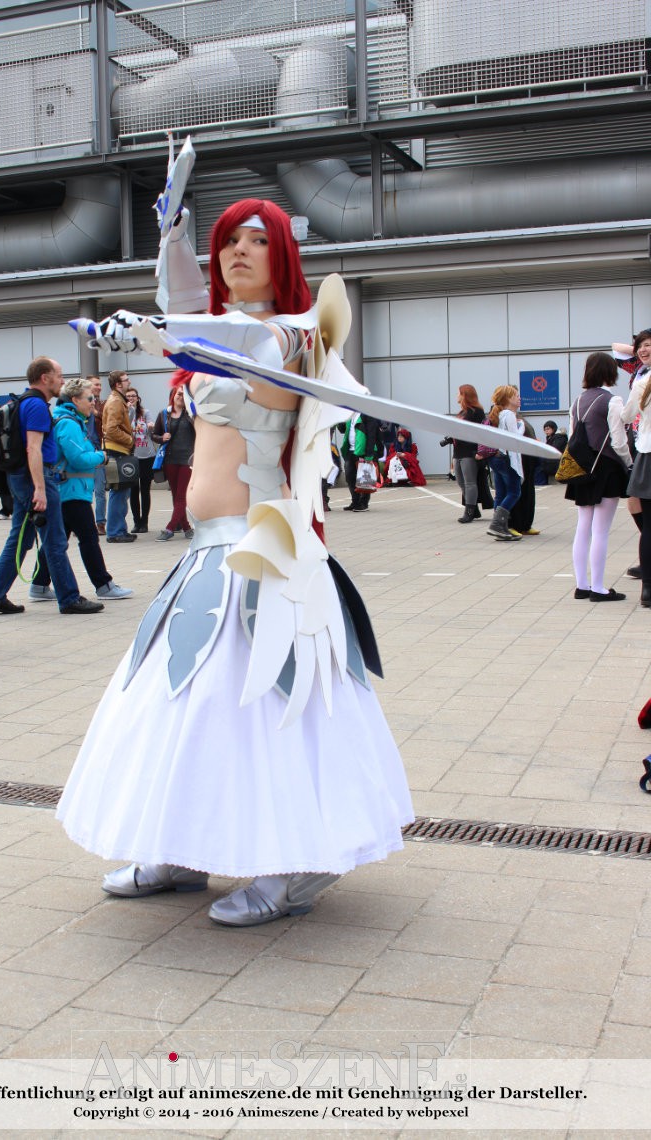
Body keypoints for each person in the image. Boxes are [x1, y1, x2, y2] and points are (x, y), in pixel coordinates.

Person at [58, 196, 414, 927]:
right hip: (206, 550)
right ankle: (183, 846)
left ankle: (295, 864)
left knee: (270, 705)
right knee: (185, 703)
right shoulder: (215, 329)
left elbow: (225, 340)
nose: (238, 252)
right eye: (227, 242)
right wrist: (173, 241)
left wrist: (159, 332)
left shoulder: (299, 335)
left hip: (266, 546)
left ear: (283, 255)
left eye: (257, 240)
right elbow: (194, 315)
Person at [0, 357, 104, 615]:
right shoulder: (36, 406)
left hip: (20, 477)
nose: (62, 381)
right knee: (55, 540)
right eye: (59, 375)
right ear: (45, 378)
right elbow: (33, 449)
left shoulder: (25, 402)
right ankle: (69, 598)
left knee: (21, 538)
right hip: (36, 478)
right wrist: (39, 488)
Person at [30, 378, 133, 603]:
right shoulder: (69, 423)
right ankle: (103, 585)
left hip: (67, 490)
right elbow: (78, 458)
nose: (93, 402)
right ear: (75, 400)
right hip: (71, 491)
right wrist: (101, 457)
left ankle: (39, 585)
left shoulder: (70, 420)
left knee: (57, 540)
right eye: (89, 398)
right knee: (88, 538)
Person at [567, 352, 631, 601]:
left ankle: (581, 586)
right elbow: (618, 441)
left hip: (582, 467)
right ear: (610, 372)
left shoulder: (577, 401)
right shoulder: (612, 400)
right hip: (606, 467)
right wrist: (629, 464)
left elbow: (573, 436)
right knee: (601, 531)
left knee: (583, 527)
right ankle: (598, 588)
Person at [613, 330, 651, 579]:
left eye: (648, 345)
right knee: (634, 501)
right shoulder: (638, 371)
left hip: (646, 447)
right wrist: (638, 349)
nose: (642, 349)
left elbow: (626, 415)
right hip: (641, 443)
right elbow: (615, 347)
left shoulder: (640, 380)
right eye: (639, 345)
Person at [621, 363, 651, 606]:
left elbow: (627, 416)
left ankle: (648, 589)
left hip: (648, 456)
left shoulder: (641, 383)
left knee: (649, 527)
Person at [151, 383, 195, 540]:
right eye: (178, 394)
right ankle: (187, 528)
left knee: (181, 496)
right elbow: (154, 434)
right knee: (176, 495)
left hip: (187, 460)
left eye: (184, 394)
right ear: (173, 396)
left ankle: (170, 528)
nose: (181, 397)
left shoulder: (192, 414)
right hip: (169, 459)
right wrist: (161, 438)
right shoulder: (164, 414)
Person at [485, 385, 524, 541]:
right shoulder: (509, 415)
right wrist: (521, 427)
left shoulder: (499, 414)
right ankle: (497, 525)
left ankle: (500, 528)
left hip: (496, 458)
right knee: (514, 492)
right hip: (506, 458)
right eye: (516, 396)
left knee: (500, 493)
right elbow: (515, 438)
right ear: (508, 399)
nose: (519, 398)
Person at [102, 369, 136, 543]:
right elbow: (111, 429)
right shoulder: (116, 401)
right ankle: (115, 532)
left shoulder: (117, 400)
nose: (129, 382)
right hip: (116, 450)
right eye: (126, 380)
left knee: (122, 492)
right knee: (119, 492)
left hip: (117, 450)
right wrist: (130, 440)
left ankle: (119, 529)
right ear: (118, 384)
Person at [443, 385, 486, 522]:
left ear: (465, 395)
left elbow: (478, 432)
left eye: (459, 393)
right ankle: (473, 509)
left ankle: (469, 511)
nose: (457, 395)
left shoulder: (476, 412)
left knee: (470, 482)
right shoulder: (462, 412)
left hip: (469, 451)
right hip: (458, 451)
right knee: (461, 482)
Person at [126, 386, 157, 533]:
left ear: (138, 398)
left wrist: (151, 426)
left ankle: (144, 522)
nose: (131, 398)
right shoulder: (124, 413)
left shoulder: (145, 413)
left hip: (147, 456)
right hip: (132, 456)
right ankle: (136, 522)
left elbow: (152, 428)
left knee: (145, 490)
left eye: (133, 396)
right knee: (133, 490)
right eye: (128, 396)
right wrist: (129, 411)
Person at [340, 411, 379, 511]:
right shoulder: (349, 414)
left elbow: (371, 435)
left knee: (364, 478)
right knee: (349, 477)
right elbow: (342, 429)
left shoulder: (367, 414)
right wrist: (340, 417)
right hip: (350, 451)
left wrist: (369, 455)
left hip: (363, 451)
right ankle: (355, 501)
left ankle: (364, 503)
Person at [508, 416, 540, 537]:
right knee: (515, 492)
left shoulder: (520, 419)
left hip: (528, 458)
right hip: (516, 458)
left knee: (528, 492)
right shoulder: (505, 416)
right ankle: (512, 525)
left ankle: (526, 525)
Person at [86, 375, 107, 536]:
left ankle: (100, 523)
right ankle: (83, 521)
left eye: (100, 385)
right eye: (96, 384)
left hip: (99, 450)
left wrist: (95, 412)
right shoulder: (79, 405)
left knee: (100, 491)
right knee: (85, 490)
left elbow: (107, 419)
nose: (99, 387)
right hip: (84, 452)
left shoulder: (103, 404)